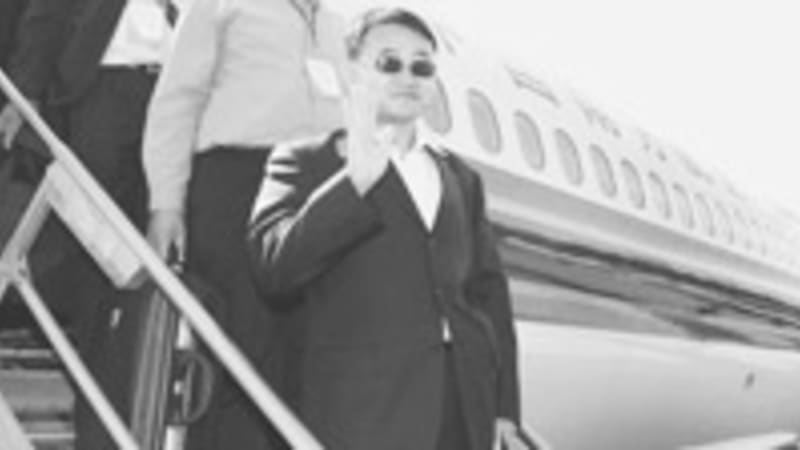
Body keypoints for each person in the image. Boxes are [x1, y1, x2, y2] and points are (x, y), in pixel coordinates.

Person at [248, 7, 527, 450]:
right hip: (362, 418)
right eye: (389, 62)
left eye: (422, 66)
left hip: (461, 411)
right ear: (352, 73)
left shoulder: (461, 179)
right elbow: (274, 269)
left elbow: (488, 295)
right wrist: (354, 182)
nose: (407, 77)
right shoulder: (305, 161)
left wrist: (504, 407)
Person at [142, 0, 345, 447]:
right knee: (240, 349)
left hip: (319, 191)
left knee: (303, 353)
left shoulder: (334, 23)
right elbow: (178, 100)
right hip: (240, 183)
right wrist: (166, 203)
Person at [0, 0, 189, 447]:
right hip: (104, 87)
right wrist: (24, 90)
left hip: (181, 93)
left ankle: (135, 412)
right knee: (98, 261)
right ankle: (100, 424)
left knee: (155, 270)